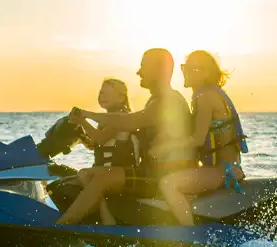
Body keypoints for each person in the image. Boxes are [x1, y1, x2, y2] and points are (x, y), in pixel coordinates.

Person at [55, 48, 193, 224]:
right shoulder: (155, 100)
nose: (138, 72)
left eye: (143, 66)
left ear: (160, 69)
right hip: (151, 170)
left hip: (164, 174)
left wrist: (86, 115)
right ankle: (109, 224)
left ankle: (64, 225)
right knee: (86, 175)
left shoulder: (168, 101)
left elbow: (130, 122)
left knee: (102, 179)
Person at [149, 50, 248, 226]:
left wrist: (165, 148)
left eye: (191, 69)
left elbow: (197, 140)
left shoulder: (205, 96)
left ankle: (190, 237)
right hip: (225, 169)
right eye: (184, 67)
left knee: (168, 184)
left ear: (206, 73)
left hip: (223, 171)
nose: (185, 72)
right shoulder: (209, 93)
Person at [69, 78, 141, 225]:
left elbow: (101, 139)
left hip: (119, 172)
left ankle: (106, 217)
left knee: (84, 174)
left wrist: (82, 121)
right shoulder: (106, 119)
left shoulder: (122, 117)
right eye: (101, 93)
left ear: (121, 98)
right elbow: (95, 144)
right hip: (105, 170)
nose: (103, 97)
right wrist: (80, 134)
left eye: (108, 94)